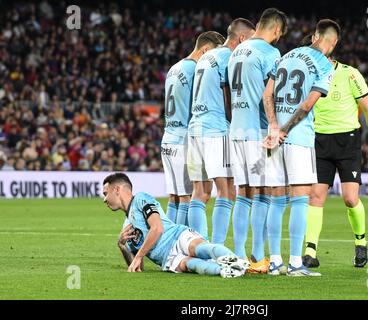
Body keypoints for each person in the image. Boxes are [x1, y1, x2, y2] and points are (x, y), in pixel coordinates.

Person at [262, 19, 339, 276]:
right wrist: (286, 129)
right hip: (298, 137)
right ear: (334, 42)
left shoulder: (285, 56)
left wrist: (274, 126)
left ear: (315, 35)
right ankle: (295, 263)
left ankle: (274, 262)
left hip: (274, 137)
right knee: (299, 199)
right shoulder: (324, 65)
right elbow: (306, 106)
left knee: (275, 199)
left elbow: (267, 94)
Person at [303, 57, 368, 269]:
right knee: (315, 196)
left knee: (350, 198)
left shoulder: (350, 74)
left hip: (348, 142)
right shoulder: (309, 72)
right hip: (319, 140)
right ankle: (310, 251)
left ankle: (360, 242)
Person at [227, 8, 288, 273]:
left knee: (244, 194)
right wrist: (275, 125)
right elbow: (270, 94)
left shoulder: (236, 52)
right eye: (280, 35)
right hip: (257, 133)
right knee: (263, 194)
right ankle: (258, 257)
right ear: (276, 30)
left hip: (237, 130)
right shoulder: (270, 53)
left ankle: (240, 256)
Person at [187, 19, 255, 244]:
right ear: (243, 38)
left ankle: (198, 245)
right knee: (226, 192)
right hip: (216, 129)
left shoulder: (207, 56)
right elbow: (228, 99)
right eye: (251, 40)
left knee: (199, 193)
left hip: (195, 128)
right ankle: (216, 249)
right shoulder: (230, 57)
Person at [103, 173, 249, 277]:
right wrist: (122, 246)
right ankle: (227, 271)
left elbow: (157, 228)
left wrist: (139, 256)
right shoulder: (126, 227)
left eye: (106, 193)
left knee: (199, 249)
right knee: (193, 266)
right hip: (167, 258)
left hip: (177, 236)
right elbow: (138, 266)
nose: (104, 199)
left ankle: (236, 260)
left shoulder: (141, 199)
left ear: (116, 189)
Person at [161, 31, 225, 225]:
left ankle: (168, 246)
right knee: (192, 196)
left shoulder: (174, 68)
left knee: (175, 198)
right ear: (205, 49)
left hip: (168, 138)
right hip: (184, 140)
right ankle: (181, 245)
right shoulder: (195, 70)